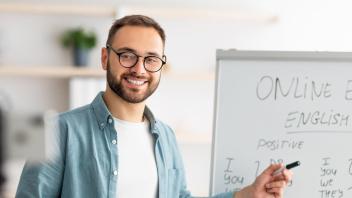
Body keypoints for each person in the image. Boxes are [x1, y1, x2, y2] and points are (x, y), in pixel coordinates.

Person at [16, 15, 292, 198]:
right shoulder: (55, 130)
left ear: (160, 65)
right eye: (127, 56)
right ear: (104, 58)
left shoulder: (166, 136)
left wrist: (247, 194)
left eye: (151, 59)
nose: (139, 69)